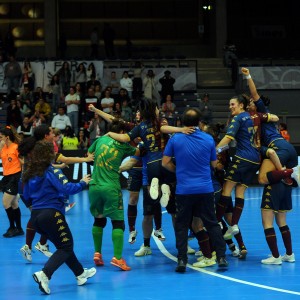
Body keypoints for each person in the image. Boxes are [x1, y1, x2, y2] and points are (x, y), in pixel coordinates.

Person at [22, 140, 96, 295]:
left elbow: (25, 196)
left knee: (63, 246)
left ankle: (80, 274)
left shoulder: (29, 173)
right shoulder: (52, 172)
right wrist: (83, 183)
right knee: (66, 247)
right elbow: (67, 188)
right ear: (49, 155)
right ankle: (45, 274)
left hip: (36, 218)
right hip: (52, 214)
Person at [242, 67, 298, 264]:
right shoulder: (257, 120)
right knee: (281, 219)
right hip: (287, 151)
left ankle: (275, 257)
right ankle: (289, 254)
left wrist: (248, 76)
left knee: (262, 179)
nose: (249, 103)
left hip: (277, 149)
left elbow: (254, 93)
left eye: (250, 103)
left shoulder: (262, 112)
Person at [162, 108, 228, 272]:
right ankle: (221, 257)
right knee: (212, 223)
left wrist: (177, 170)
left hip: (184, 190)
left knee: (182, 225)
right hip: (205, 188)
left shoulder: (175, 139)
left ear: (183, 123)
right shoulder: (208, 139)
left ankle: (182, 260)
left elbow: (165, 162)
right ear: (199, 122)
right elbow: (214, 164)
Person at [19, 125, 94, 263]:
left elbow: (46, 165)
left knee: (39, 214)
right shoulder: (42, 148)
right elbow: (64, 159)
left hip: (29, 183)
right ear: (46, 135)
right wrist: (85, 160)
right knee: (43, 214)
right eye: (52, 133)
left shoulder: (37, 147)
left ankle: (37, 245)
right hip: (30, 184)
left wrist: (57, 167)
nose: (54, 135)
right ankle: (34, 245)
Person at [88, 119, 139, 271]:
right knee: (118, 223)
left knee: (98, 220)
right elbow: (139, 153)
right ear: (122, 133)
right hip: (111, 187)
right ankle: (117, 258)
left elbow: (89, 154)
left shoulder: (100, 140)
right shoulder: (123, 145)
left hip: (94, 186)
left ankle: (97, 253)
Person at [214, 94, 261, 254]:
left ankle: (215, 221)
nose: (230, 107)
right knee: (240, 191)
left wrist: (214, 152)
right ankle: (234, 225)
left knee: (226, 190)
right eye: (229, 104)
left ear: (241, 105)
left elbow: (228, 137)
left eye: (232, 104)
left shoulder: (238, 118)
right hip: (255, 159)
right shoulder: (251, 116)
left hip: (242, 157)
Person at [0, 126, 24, 238]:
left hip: (15, 176)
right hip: (6, 177)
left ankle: (12, 227)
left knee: (5, 202)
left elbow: (23, 162)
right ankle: (19, 228)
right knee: (14, 203)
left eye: (1, 137)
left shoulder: (16, 147)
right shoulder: (3, 148)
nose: (0, 139)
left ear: (7, 137)